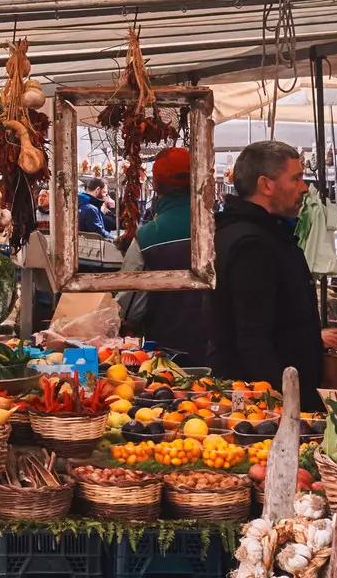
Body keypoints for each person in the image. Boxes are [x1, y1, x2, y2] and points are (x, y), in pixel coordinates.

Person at [211, 140, 322, 405]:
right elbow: (252, 338)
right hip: (266, 404)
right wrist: (281, 403)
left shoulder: (258, 234)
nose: (304, 188)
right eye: (296, 179)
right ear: (266, 185)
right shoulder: (253, 244)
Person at [120, 147, 211, 363]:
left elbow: (130, 309)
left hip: (167, 355)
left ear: (157, 186)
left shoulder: (148, 237)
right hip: (219, 350)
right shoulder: (220, 227)